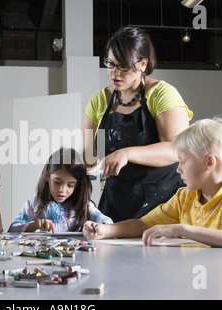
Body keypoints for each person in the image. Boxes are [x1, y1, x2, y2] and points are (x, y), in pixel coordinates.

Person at [83, 118, 222, 255]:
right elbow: (143, 225)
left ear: (209, 162)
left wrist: (183, 229)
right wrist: (104, 230)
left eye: (183, 161)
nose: (178, 169)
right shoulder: (185, 197)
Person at [80, 26, 193, 222]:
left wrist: (126, 153)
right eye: (110, 64)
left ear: (143, 64)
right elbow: (88, 156)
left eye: (123, 66)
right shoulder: (100, 100)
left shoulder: (161, 94)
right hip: (115, 205)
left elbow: (176, 150)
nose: (114, 73)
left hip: (162, 203)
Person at [9, 147, 113, 233]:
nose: (62, 190)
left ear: (78, 184)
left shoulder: (84, 205)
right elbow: (13, 229)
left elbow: (107, 222)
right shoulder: (35, 201)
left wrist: (97, 227)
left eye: (70, 185)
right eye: (57, 182)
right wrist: (34, 226)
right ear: (47, 176)